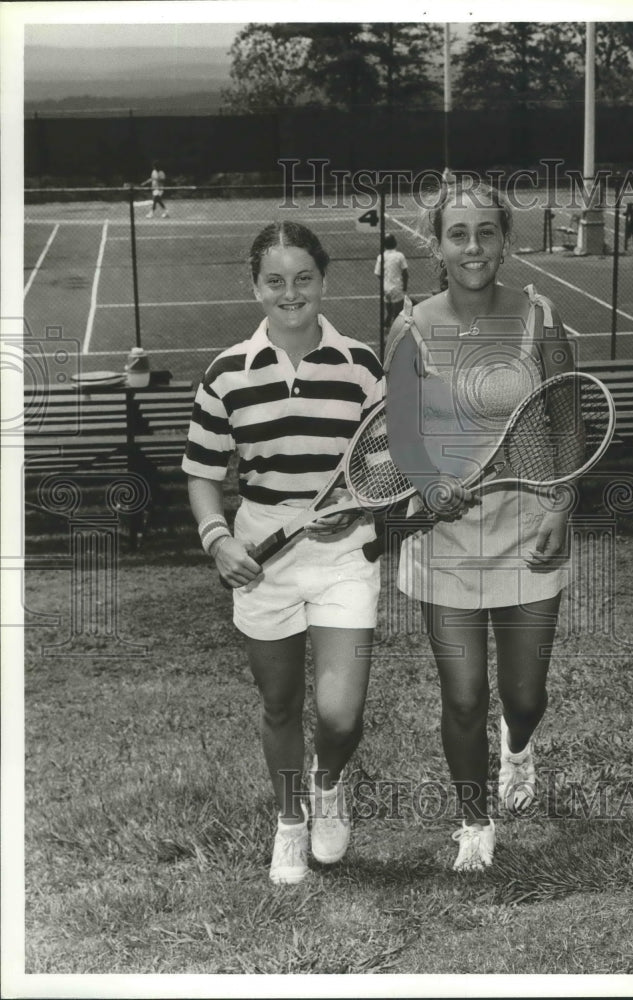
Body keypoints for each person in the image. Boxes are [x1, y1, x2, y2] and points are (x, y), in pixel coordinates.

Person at [183, 222, 384, 884]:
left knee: (339, 713)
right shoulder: (225, 375)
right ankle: (289, 821)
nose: (290, 293)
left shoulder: (362, 364)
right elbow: (204, 473)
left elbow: (382, 466)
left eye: (303, 278)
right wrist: (218, 541)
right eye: (275, 280)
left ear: (323, 281)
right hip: (261, 552)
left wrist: (356, 506)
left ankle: (328, 784)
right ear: (255, 287)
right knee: (279, 703)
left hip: (344, 552)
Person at [384, 179, 573, 872]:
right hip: (445, 537)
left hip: (530, 528)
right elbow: (401, 435)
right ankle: (474, 823)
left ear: (505, 240)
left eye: (486, 232)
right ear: (436, 244)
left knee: (524, 694)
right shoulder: (408, 327)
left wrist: (562, 503)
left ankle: (518, 747)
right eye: (458, 234)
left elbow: (567, 414)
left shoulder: (539, 317)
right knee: (461, 695)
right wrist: (431, 487)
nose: (473, 247)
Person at [374, 233, 409, 331]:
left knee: (389, 311)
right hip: (397, 287)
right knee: (399, 313)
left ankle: (386, 327)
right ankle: (396, 331)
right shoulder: (399, 256)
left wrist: (385, 281)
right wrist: (405, 287)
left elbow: (377, 273)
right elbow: (405, 273)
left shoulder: (381, 257)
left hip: (386, 288)